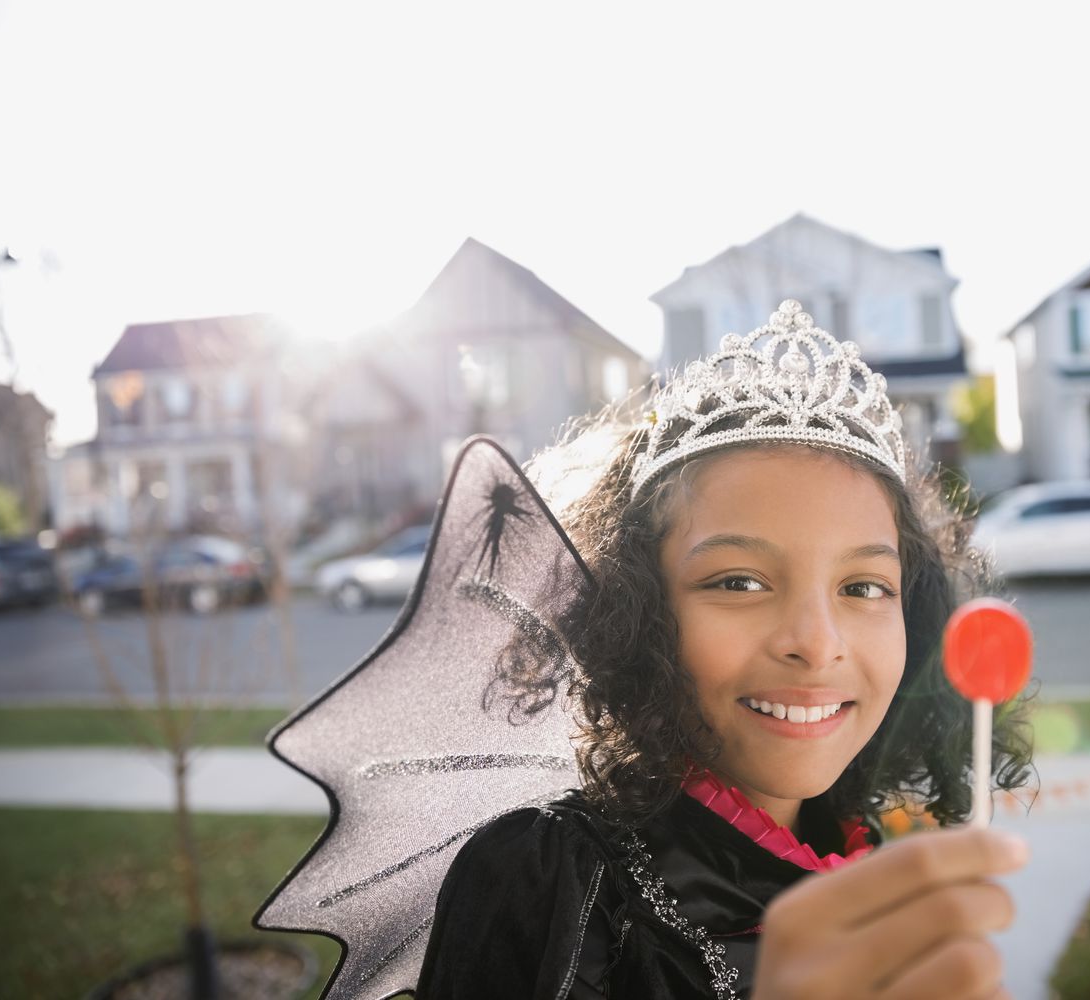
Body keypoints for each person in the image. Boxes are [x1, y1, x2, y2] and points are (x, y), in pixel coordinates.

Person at [415, 300, 1034, 999]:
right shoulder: (550, 877)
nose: (817, 643)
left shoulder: (870, 867)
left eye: (863, 586)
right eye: (739, 581)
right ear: (637, 611)